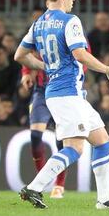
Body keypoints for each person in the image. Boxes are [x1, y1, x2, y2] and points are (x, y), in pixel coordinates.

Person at [14, 0, 109, 210]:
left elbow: (20, 55)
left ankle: (104, 199)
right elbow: (80, 54)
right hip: (66, 94)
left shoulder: (39, 24)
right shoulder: (70, 21)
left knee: (102, 140)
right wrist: (108, 70)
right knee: (75, 148)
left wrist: (43, 65)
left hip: (65, 94)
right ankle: (34, 187)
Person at [21, 57, 67, 199]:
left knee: (61, 140)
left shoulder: (75, 36)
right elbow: (25, 53)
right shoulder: (37, 34)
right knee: (35, 135)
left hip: (64, 91)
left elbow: (83, 58)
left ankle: (59, 184)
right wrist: (26, 72)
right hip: (41, 92)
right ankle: (42, 180)